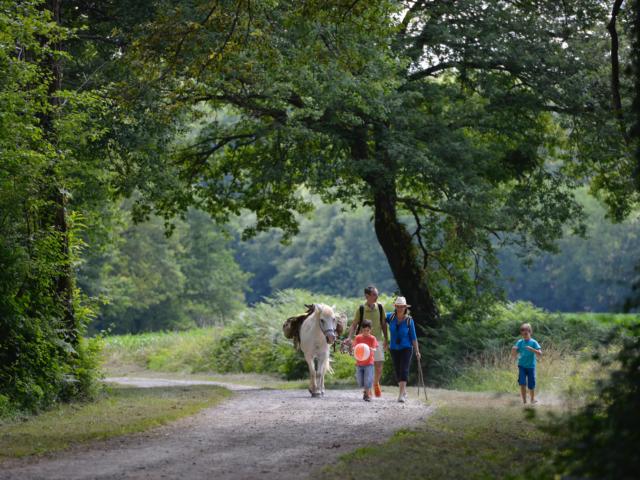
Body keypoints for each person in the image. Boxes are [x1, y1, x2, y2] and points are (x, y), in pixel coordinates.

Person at [345, 285, 388, 397]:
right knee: (366, 367)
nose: (376, 296)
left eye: (377, 294)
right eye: (374, 294)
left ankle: (375, 383)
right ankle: (367, 391)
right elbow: (354, 324)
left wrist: (386, 340)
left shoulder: (380, 307)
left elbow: (383, 324)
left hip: (377, 340)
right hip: (363, 342)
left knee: (378, 366)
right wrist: (350, 337)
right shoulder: (361, 309)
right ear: (367, 296)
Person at [387, 296, 421, 403]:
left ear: (405, 307)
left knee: (404, 369)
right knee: (397, 370)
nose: (400, 308)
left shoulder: (409, 321)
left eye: (402, 306)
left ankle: (401, 395)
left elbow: (413, 337)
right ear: (395, 306)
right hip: (394, 348)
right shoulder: (390, 317)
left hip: (406, 348)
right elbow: (379, 317)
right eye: (398, 306)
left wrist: (417, 351)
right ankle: (404, 391)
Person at [511, 323, 542, 404]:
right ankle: (524, 401)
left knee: (531, 384)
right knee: (522, 383)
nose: (524, 335)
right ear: (521, 333)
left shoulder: (534, 342)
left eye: (526, 333)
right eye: (523, 333)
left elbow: (540, 353)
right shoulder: (520, 342)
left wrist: (532, 349)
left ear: (530, 332)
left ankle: (532, 399)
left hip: (531, 366)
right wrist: (513, 350)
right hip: (522, 366)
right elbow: (514, 356)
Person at [353, 320, 378, 401]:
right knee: (360, 381)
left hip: (369, 363)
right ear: (361, 330)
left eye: (368, 330)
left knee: (368, 379)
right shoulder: (358, 338)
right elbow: (355, 348)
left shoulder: (372, 338)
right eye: (364, 330)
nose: (366, 332)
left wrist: (370, 349)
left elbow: (374, 348)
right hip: (359, 363)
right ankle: (366, 391)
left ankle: (367, 395)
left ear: (371, 330)